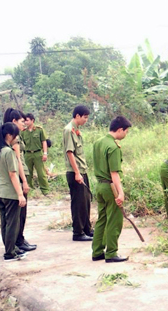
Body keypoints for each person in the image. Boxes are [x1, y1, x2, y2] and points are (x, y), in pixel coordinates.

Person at [91, 116, 132, 263]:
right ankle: (111, 253)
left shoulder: (98, 142)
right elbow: (114, 173)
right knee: (114, 220)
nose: (126, 135)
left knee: (102, 219)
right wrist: (120, 193)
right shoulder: (113, 147)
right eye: (126, 131)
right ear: (120, 130)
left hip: (99, 186)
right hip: (110, 187)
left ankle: (97, 252)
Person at [0, 122, 27, 261]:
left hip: (0, 192)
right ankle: (10, 253)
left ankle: (10, 249)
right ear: (9, 135)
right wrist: (20, 195)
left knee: (5, 222)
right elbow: (13, 174)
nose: (16, 139)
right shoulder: (9, 152)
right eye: (15, 136)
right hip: (10, 194)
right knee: (13, 223)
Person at [3, 108, 37, 252]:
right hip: (18, 176)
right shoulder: (14, 139)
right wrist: (24, 181)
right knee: (19, 213)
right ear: (14, 121)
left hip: (15, 176)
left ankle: (17, 241)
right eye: (22, 121)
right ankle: (18, 241)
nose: (24, 124)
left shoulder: (9, 136)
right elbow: (17, 161)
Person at [63, 105, 93, 242]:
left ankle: (87, 229)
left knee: (86, 201)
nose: (86, 120)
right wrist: (76, 173)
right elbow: (70, 152)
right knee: (78, 203)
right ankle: (78, 232)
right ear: (77, 116)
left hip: (82, 170)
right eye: (85, 117)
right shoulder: (69, 130)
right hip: (75, 172)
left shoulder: (77, 130)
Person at [21, 113, 49, 195]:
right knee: (27, 173)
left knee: (41, 173)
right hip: (28, 154)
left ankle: (45, 190)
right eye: (24, 121)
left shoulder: (39, 130)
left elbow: (44, 141)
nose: (25, 122)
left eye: (27, 120)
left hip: (38, 153)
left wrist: (45, 153)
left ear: (32, 120)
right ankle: (29, 189)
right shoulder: (23, 132)